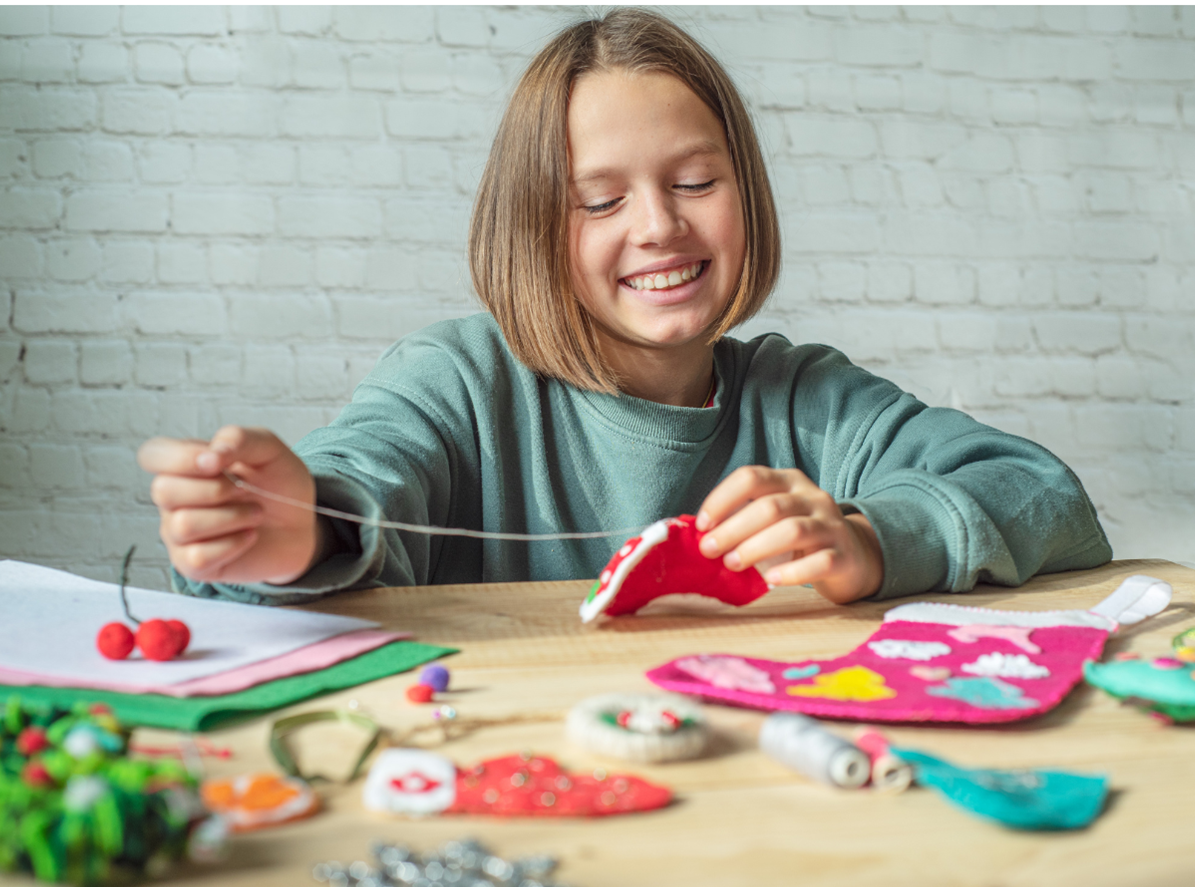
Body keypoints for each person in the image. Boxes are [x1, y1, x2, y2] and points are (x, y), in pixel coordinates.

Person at [137, 9, 1111, 608]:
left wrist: (868, 538)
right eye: (599, 201)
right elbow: (365, 472)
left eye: (695, 180)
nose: (657, 226)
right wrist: (304, 528)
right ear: (533, 229)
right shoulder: (457, 380)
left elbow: (1046, 498)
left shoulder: (805, 398)